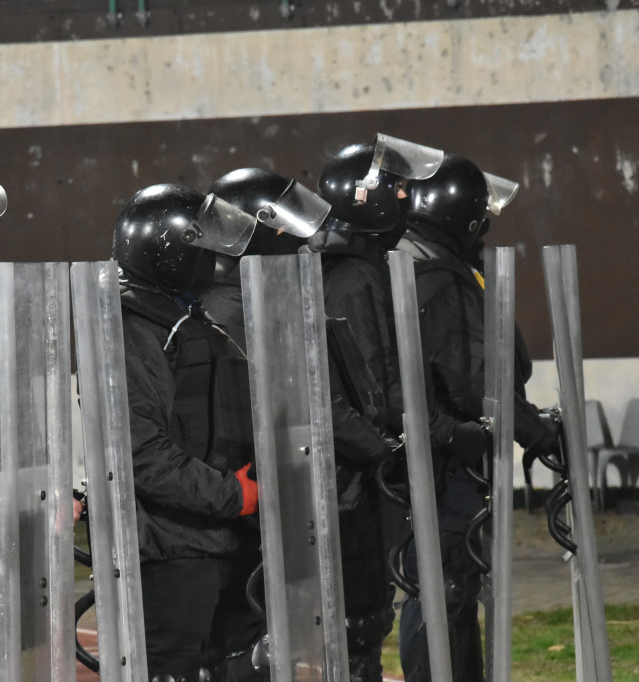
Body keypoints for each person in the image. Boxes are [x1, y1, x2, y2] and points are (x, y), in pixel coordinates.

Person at [204, 166, 394, 682]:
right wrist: (381, 449)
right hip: (260, 507)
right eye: (283, 227)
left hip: (257, 503)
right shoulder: (243, 310)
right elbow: (313, 402)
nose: (296, 239)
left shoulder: (232, 301)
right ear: (254, 228)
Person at [395, 153, 560, 682]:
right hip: (452, 461)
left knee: (448, 590)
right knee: (446, 590)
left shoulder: (417, 262)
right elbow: (476, 382)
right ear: (463, 219)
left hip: (443, 456)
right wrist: (538, 432)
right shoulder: (441, 277)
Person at [315, 137, 467, 681]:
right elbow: (375, 386)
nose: (407, 198)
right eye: (398, 188)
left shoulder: (358, 265)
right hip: (353, 481)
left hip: (360, 473)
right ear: (369, 199)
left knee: (368, 618)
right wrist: (407, 441)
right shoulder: (353, 277)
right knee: (360, 624)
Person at [113, 183, 264, 682]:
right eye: (202, 246)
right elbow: (142, 453)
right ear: (174, 251)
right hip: (174, 549)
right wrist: (232, 495)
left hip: (219, 537)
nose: (214, 258)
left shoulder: (184, 317)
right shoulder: (134, 329)